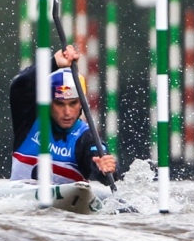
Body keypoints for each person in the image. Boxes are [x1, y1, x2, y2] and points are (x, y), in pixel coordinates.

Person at [9, 44, 120, 186]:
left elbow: (100, 165)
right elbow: (19, 85)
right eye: (59, 104)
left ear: (81, 104)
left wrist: (106, 169)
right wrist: (53, 63)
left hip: (66, 208)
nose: (67, 112)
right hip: (20, 205)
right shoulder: (29, 121)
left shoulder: (87, 137)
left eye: (73, 103)